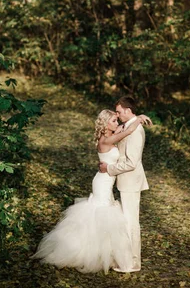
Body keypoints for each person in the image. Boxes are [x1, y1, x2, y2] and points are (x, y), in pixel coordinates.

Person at [32, 109, 151, 273]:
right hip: (103, 182)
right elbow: (128, 130)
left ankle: (104, 253)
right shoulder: (106, 140)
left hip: (105, 180)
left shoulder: (107, 136)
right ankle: (84, 252)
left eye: (117, 120)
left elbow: (123, 129)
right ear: (106, 124)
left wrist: (126, 121)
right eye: (114, 121)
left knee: (103, 216)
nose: (118, 124)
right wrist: (139, 118)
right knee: (101, 216)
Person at [99, 96, 149, 273]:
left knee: (131, 223)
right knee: (126, 222)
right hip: (125, 182)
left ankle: (132, 263)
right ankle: (125, 259)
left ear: (128, 110)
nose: (118, 116)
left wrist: (110, 168)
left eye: (119, 112)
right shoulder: (128, 126)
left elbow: (131, 163)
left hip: (131, 182)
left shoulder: (135, 130)